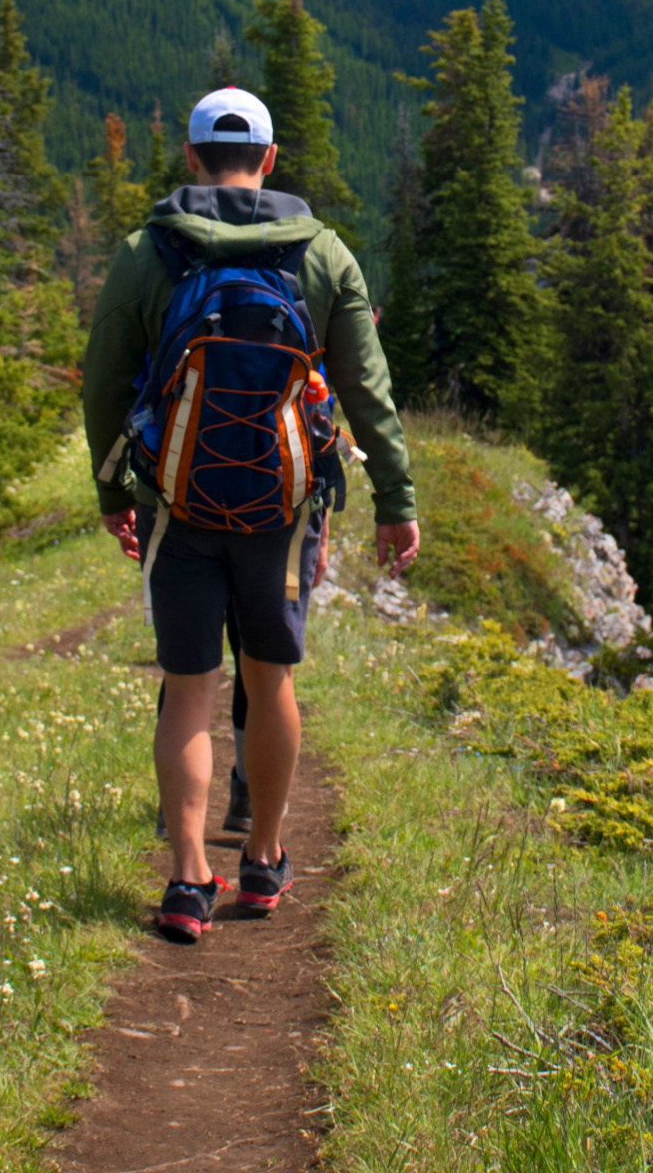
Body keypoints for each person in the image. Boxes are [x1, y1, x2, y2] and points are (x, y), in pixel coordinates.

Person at [82, 85, 420, 943]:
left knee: (189, 689)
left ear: (192, 158)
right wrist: (394, 499)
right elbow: (367, 392)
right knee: (270, 679)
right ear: (270, 161)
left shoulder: (146, 254)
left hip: (179, 503)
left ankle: (189, 880)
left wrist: (114, 493)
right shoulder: (323, 256)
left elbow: (102, 384)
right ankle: (265, 859)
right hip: (282, 513)